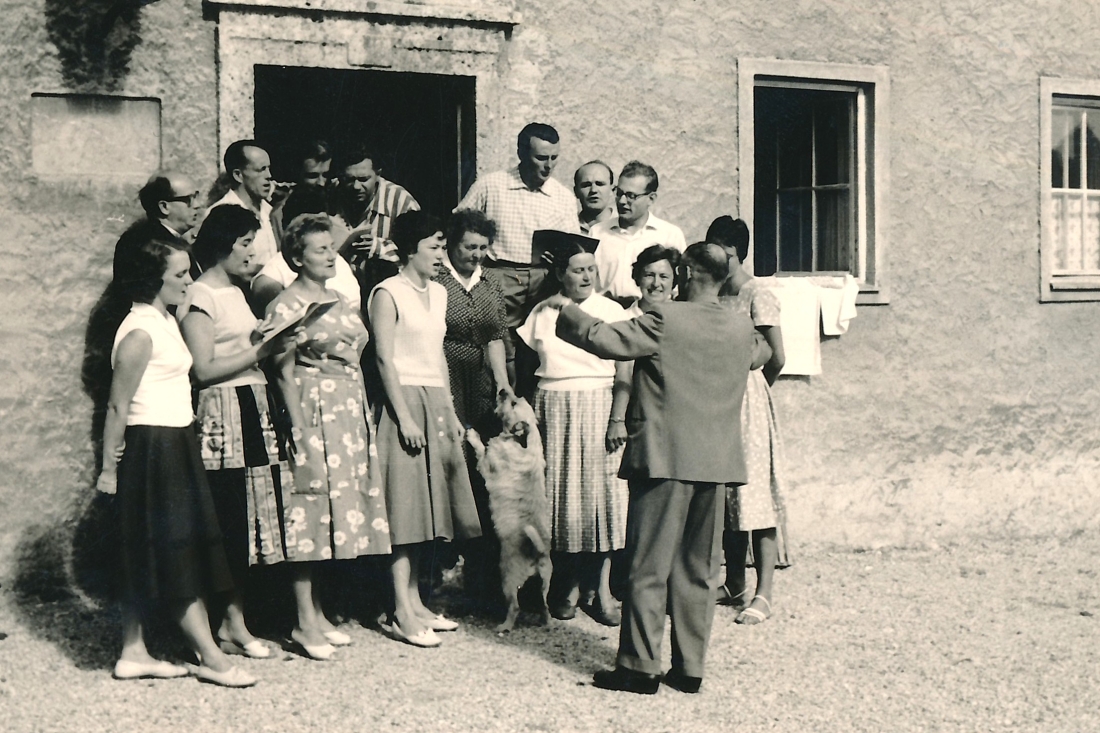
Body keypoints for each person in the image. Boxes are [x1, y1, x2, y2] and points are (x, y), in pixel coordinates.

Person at [552, 242, 764, 695]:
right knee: (699, 570)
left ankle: (640, 666)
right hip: (716, 462)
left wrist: (566, 308)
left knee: (648, 566)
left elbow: (601, 339)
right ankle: (690, 667)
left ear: (685, 273)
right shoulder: (740, 326)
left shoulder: (666, 319)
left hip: (664, 460)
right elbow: (762, 354)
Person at [96, 236, 256, 687]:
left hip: (176, 440)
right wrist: (108, 469)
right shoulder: (139, 332)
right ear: (153, 279)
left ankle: (133, 651)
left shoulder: (163, 319)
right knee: (176, 551)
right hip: (154, 447)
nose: (189, 281)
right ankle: (212, 658)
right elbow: (117, 406)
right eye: (180, 275)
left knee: (148, 547)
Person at [266, 214, 393, 660]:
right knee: (309, 509)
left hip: (347, 409)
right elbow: (281, 372)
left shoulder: (338, 297)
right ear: (296, 257)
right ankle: (302, 620)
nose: (330, 256)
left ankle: (317, 612)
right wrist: (298, 428)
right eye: (320, 249)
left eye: (331, 248)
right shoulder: (286, 304)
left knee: (332, 510)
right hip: (312, 407)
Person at [178, 205, 291, 659]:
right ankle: (228, 623)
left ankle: (237, 620)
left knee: (252, 519)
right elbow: (203, 369)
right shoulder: (201, 295)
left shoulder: (235, 292)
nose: (252, 253)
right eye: (245, 243)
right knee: (229, 517)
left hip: (251, 408)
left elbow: (238, 349)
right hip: (224, 415)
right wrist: (261, 350)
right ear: (222, 244)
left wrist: (264, 339)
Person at [369, 211, 482, 648]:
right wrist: (404, 416)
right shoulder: (387, 292)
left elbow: (437, 357)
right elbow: (383, 359)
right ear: (409, 249)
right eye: (433, 246)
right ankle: (400, 609)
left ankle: (416, 602)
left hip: (434, 400)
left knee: (428, 511)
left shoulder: (438, 292)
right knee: (405, 511)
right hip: (403, 402)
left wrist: (450, 412)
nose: (440, 254)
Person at [517, 236, 632, 626]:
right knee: (560, 500)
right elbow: (526, 367)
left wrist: (618, 419)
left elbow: (625, 372)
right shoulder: (543, 311)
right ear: (560, 274)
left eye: (591, 270)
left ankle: (600, 590)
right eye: (578, 270)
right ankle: (564, 586)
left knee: (601, 500)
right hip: (552, 407)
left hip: (598, 405)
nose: (586, 277)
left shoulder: (611, 311)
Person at [707, 215, 791, 623]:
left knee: (755, 496)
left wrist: (752, 391)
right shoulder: (711, 293)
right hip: (715, 400)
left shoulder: (757, 294)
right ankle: (735, 581)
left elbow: (777, 357)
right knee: (727, 495)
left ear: (736, 253)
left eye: (720, 253)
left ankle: (764, 593)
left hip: (748, 401)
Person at [455, 123, 579, 381]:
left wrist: (560, 256)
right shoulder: (492, 185)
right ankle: (502, 398)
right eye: (541, 158)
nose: (548, 166)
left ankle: (530, 400)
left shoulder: (563, 196)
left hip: (544, 279)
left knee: (540, 343)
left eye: (554, 158)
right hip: (501, 275)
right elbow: (459, 225)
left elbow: (573, 247)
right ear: (522, 153)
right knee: (498, 345)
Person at [435, 209, 511, 605]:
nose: (477, 255)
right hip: (445, 375)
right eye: (469, 247)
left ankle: (480, 577)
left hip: (480, 384)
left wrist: (502, 382)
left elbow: (495, 336)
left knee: (483, 474)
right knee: (450, 466)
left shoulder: (491, 282)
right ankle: (438, 570)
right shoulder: (436, 279)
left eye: (483, 247)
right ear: (452, 243)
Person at [590, 161, 686, 306]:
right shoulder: (598, 232)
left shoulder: (670, 235)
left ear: (651, 198)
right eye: (619, 193)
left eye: (631, 196)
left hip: (652, 313)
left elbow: (680, 289)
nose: (622, 201)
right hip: (606, 313)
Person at [332, 143, 420, 301]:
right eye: (349, 180)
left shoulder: (401, 200)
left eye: (363, 179)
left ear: (378, 174)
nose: (356, 187)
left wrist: (379, 247)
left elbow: (419, 253)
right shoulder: (331, 191)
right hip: (340, 290)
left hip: (387, 293)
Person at [207, 140, 280, 266]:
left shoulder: (272, 212)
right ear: (238, 175)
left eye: (268, 168)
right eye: (260, 170)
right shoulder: (220, 217)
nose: (269, 175)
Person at [626, 245, 681, 316]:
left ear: (674, 280)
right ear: (638, 277)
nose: (656, 284)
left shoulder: (681, 318)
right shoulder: (622, 318)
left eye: (663, 276)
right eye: (649, 275)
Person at [574, 161, 616, 234]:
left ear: (612, 190)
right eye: (586, 185)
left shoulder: (626, 225)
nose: (593, 190)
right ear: (576, 191)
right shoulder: (568, 226)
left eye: (600, 184)